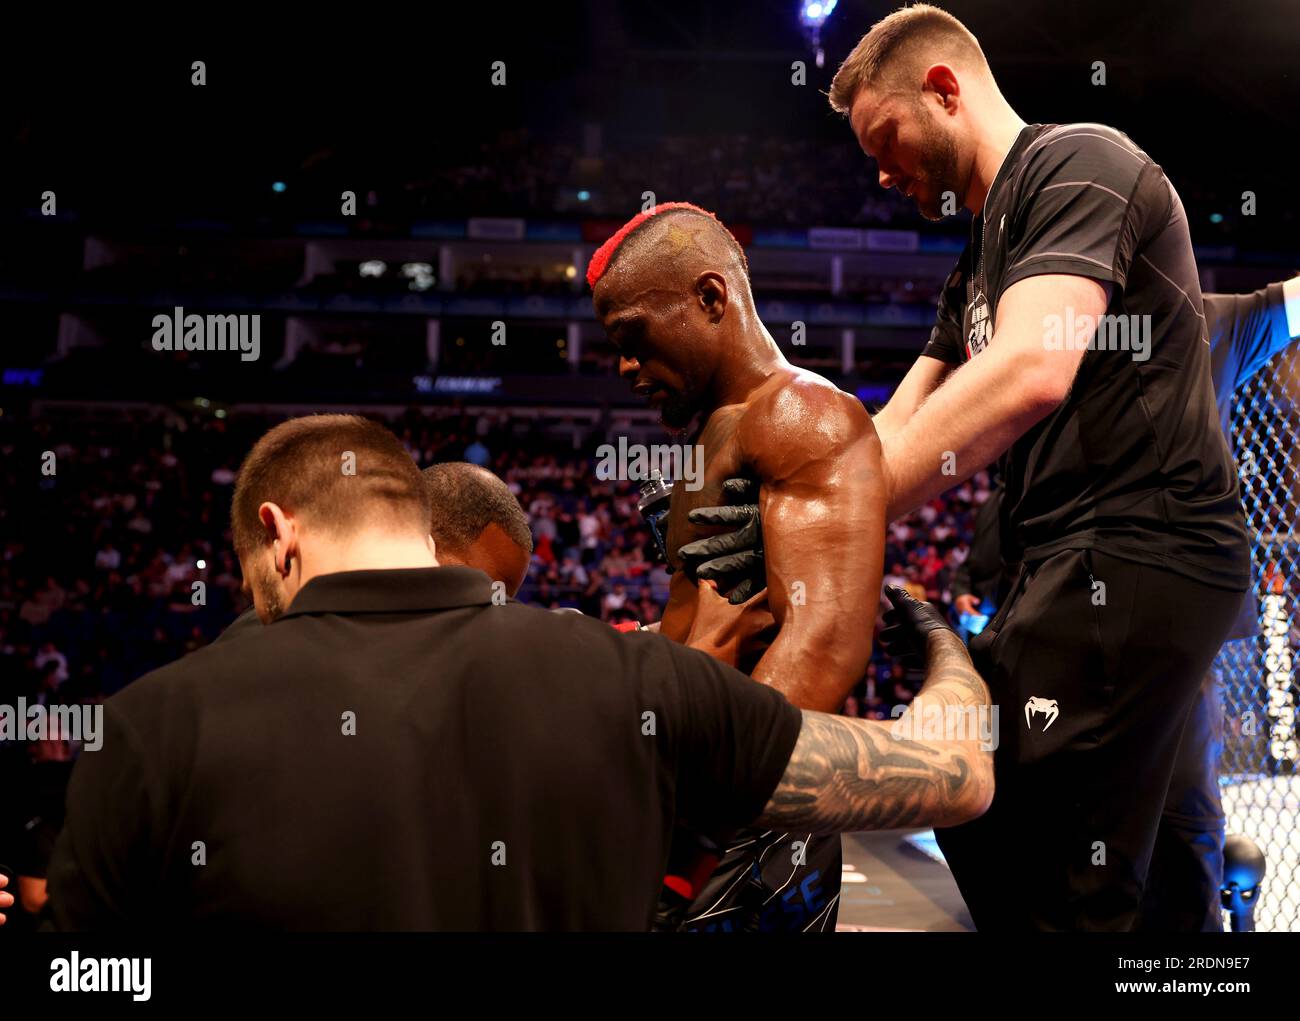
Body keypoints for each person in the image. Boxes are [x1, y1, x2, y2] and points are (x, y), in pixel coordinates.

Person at [34, 413, 992, 930]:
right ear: (423, 522)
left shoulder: (150, 725)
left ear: (277, 535)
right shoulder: (633, 680)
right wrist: (942, 643)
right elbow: (956, 775)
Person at [828, 4, 1251, 929]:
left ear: (944, 91)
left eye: (885, 139)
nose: (883, 171)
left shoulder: (1080, 161)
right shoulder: (977, 259)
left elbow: (1029, 370)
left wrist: (829, 527)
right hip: (1086, 563)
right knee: (1175, 879)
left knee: (1020, 837)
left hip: (1138, 550)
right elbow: (894, 424)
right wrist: (796, 498)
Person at [589, 201, 887, 930]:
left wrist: (694, 835)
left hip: (744, 823)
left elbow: (821, 652)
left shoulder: (800, 414)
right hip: (718, 801)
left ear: (710, 298)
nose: (626, 366)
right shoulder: (724, 428)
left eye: (634, 337)